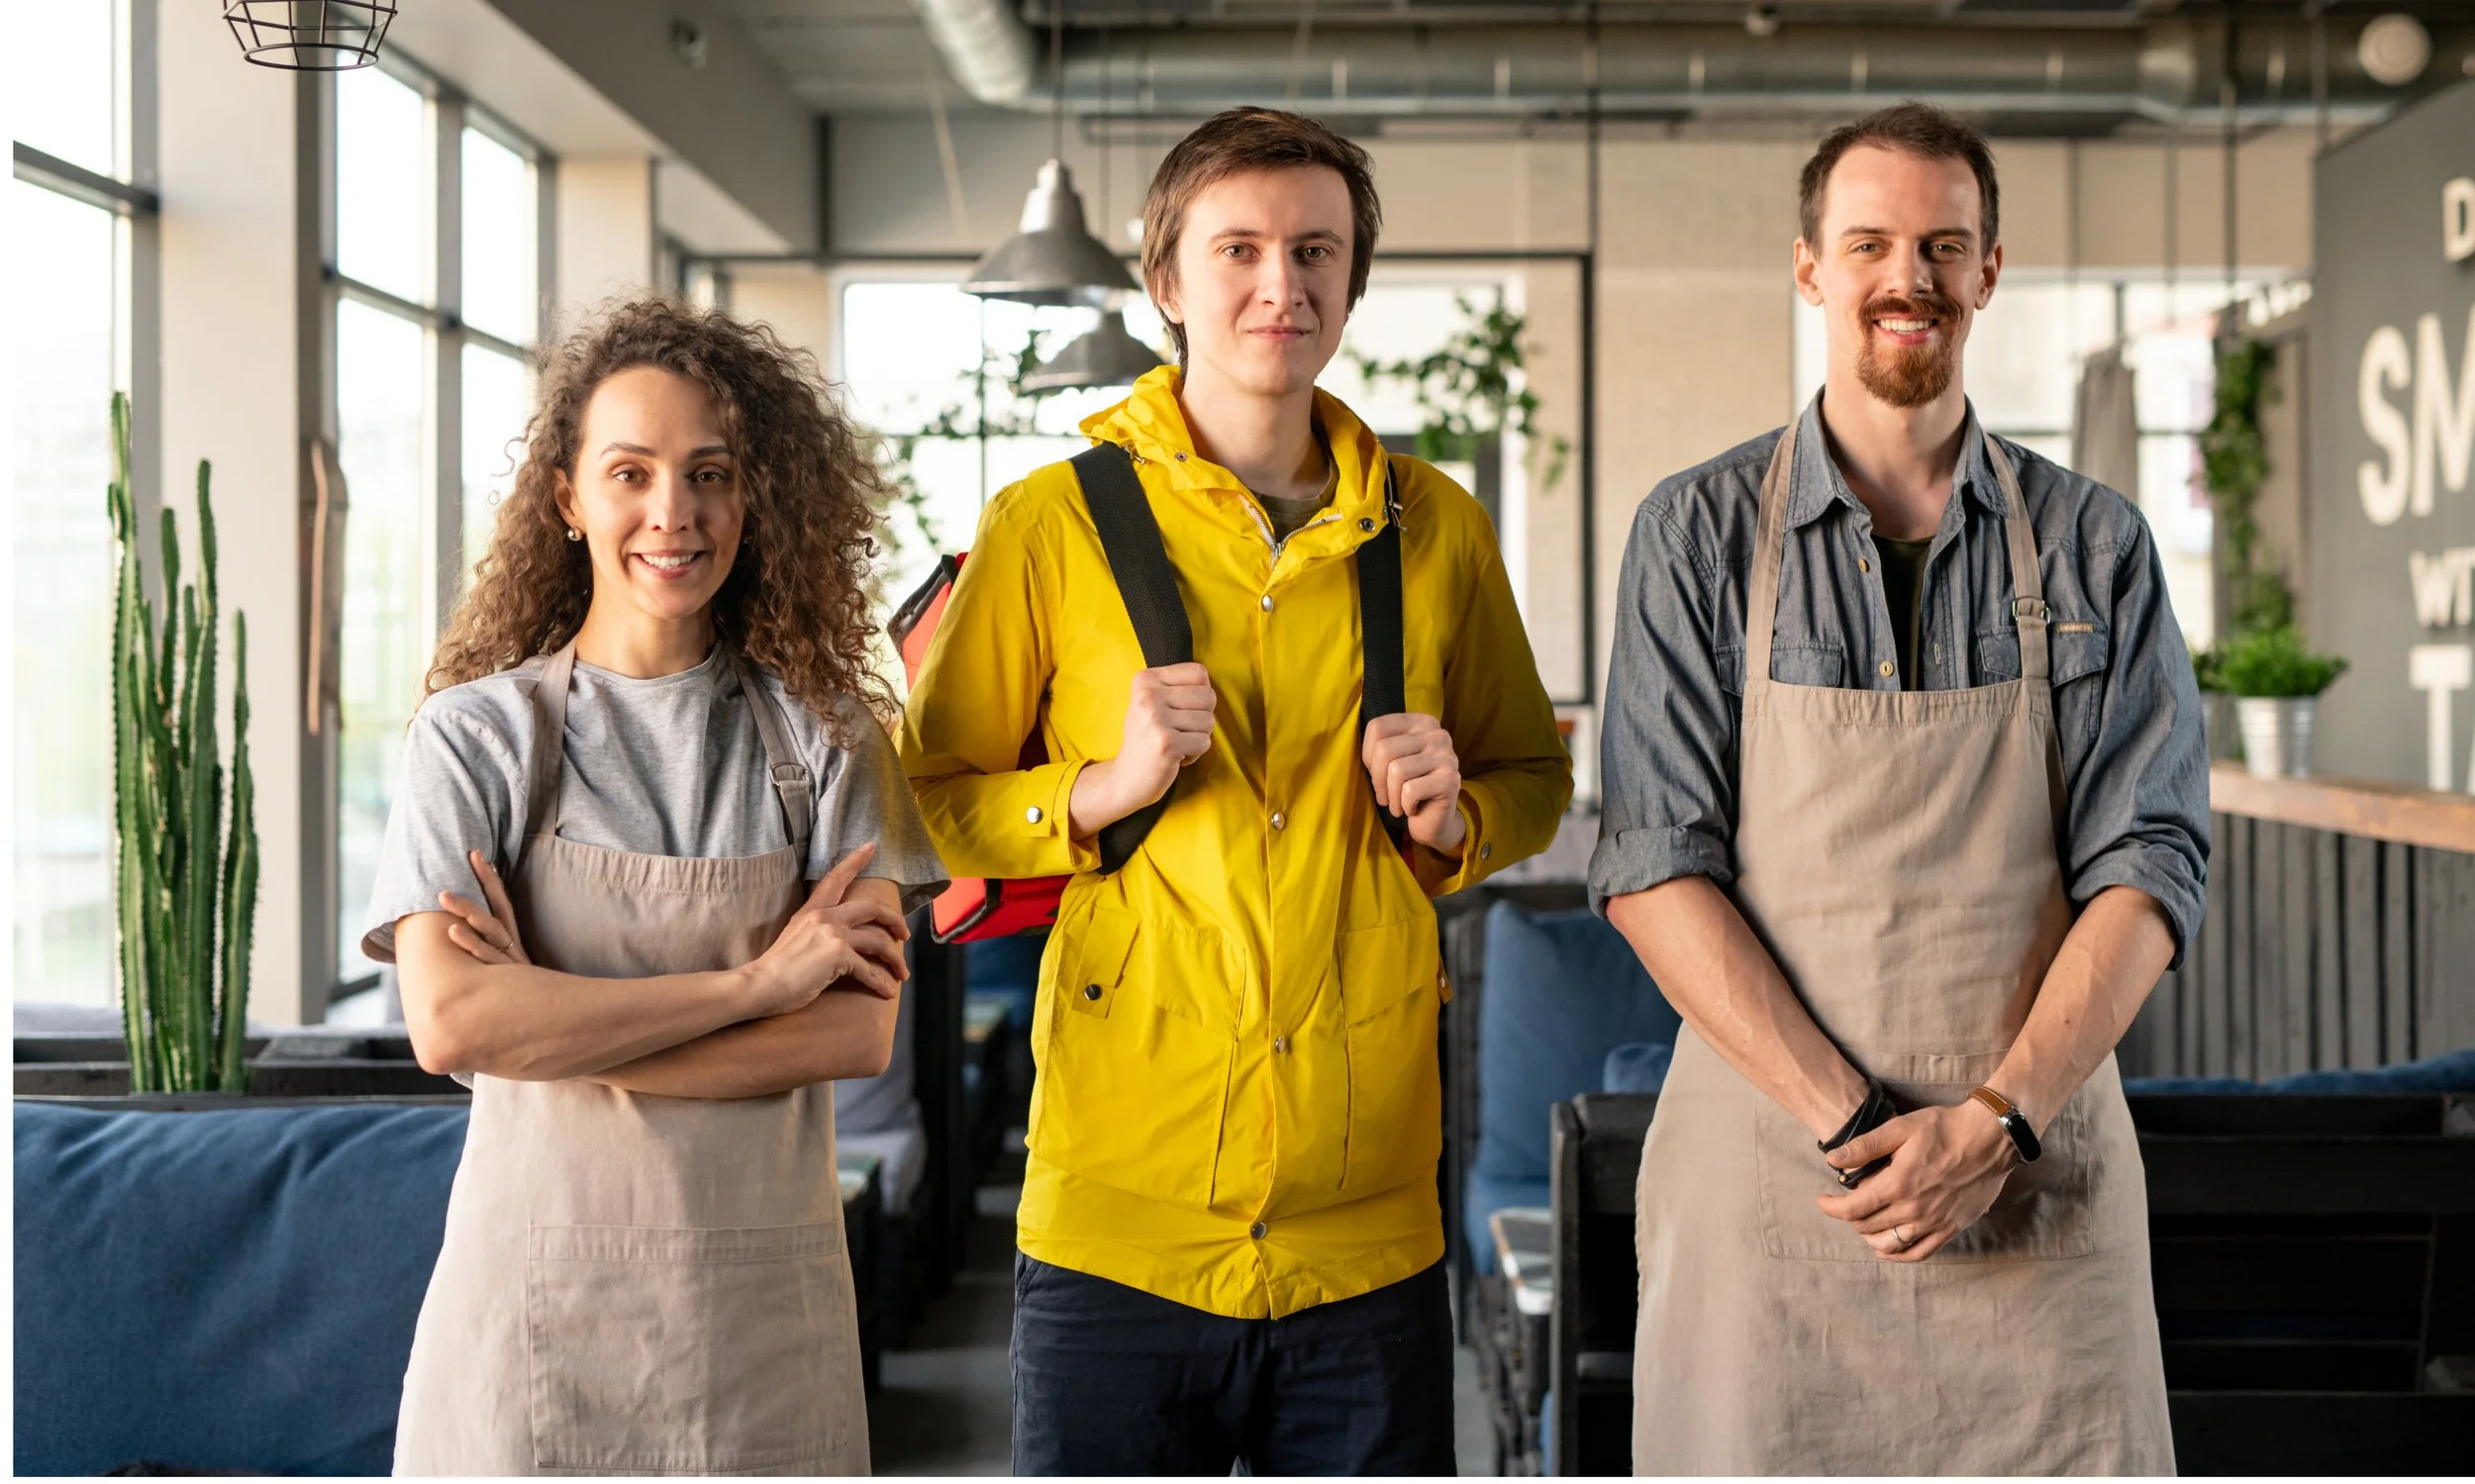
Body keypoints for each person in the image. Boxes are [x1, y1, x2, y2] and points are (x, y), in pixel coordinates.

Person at [899, 107, 1572, 1474]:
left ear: (1352, 283)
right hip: (1116, 1218)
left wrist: (1461, 817)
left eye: (1317, 250)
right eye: (1242, 248)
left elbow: (1535, 775)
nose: (1284, 283)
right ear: (1166, 282)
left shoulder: (1437, 528)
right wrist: (1096, 786)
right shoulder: (1049, 522)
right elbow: (926, 800)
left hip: (1368, 1223)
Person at [1593, 102, 2207, 1475]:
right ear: (1809, 267)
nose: (1907, 276)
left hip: (2039, 1189)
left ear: (1992, 269)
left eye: (1943, 244)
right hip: (1778, 1194)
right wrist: (1865, 1129)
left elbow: (2152, 859)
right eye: (1869, 242)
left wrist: (1998, 1122)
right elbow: (1650, 862)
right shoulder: (1692, 536)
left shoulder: (2098, 544)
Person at [366, 299, 946, 1476]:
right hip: (531, 1335)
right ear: (569, 501)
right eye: (629, 471)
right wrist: (758, 980)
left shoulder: (834, 739)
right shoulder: (473, 739)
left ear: (753, 499)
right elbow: (455, 1024)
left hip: (760, 1340)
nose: (671, 511)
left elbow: (853, 1032)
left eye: (710, 472)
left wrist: (553, 1028)